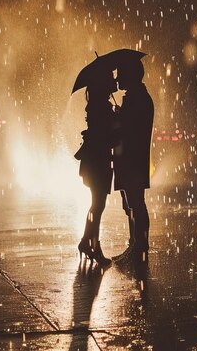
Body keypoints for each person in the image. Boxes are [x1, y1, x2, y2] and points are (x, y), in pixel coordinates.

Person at [74, 70, 118, 267]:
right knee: (98, 205)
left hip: (95, 161)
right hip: (98, 162)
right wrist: (118, 121)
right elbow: (106, 136)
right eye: (110, 79)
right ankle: (92, 245)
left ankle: (87, 242)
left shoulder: (96, 106)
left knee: (97, 204)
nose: (114, 81)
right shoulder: (101, 107)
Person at [113, 59, 154, 261]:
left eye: (120, 73)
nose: (117, 78)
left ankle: (139, 246)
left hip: (132, 159)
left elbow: (129, 130)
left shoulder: (136, 99)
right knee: (132, 203)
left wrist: (117, 119)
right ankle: (136, 245)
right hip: (132, 159)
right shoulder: (138, 97)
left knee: (136, 203)